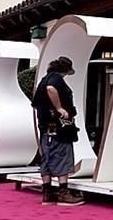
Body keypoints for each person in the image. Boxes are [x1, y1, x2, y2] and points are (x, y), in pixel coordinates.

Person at [31, 56, 85, 206]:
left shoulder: (44, 79)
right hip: (59, 125)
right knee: (62, 153)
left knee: (47, 154)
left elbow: (35, 103)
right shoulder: (56, 80)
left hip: (46, 125)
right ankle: (63, 192)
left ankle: (47, 191)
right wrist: (59, 108)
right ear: (65, 70)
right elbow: (51, 89)